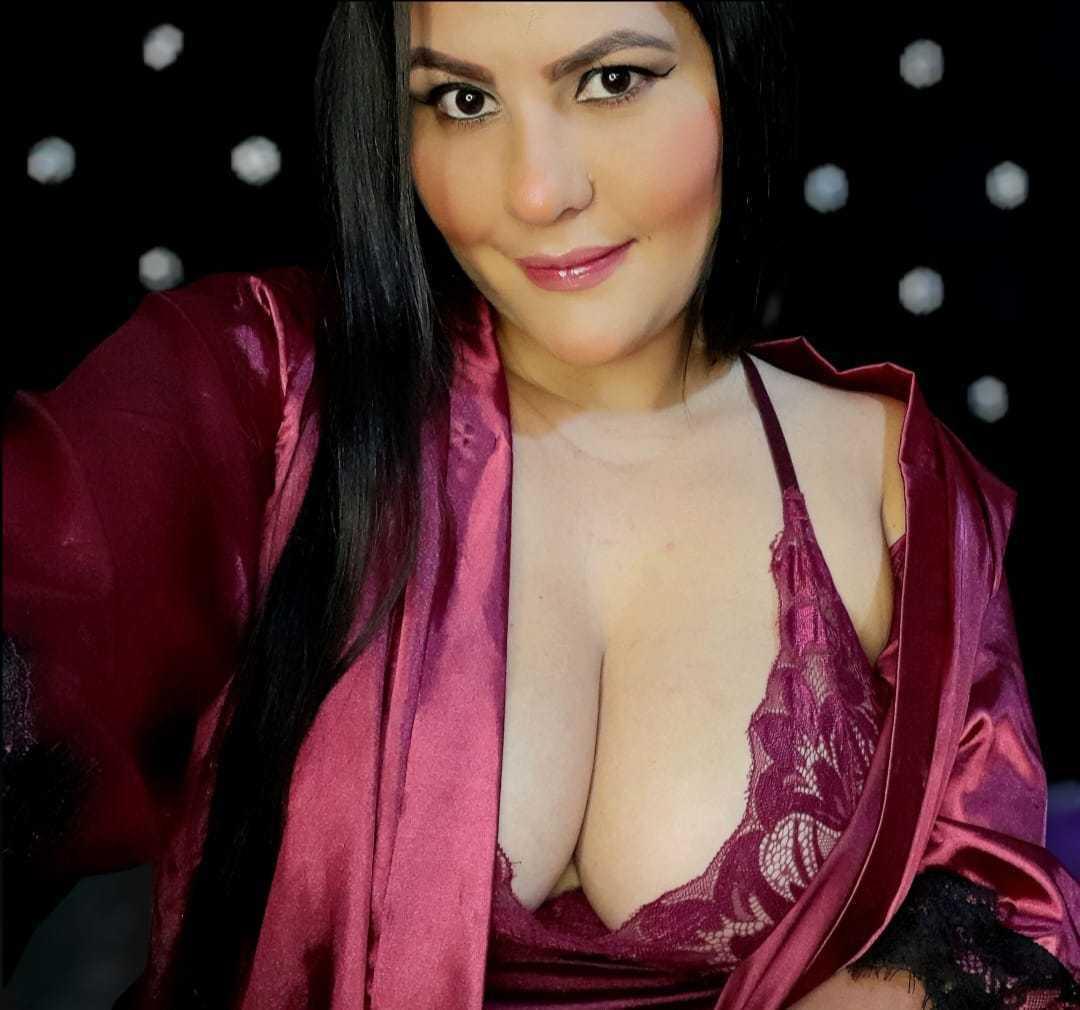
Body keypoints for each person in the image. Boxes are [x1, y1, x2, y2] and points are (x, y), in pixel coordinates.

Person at [3, 4, 1079, 1008]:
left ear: (733, 73)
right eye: (463, 100)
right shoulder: (263, 392)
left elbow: (995, 919)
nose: (536, 191)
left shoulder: (891, 479)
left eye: (611, 81)